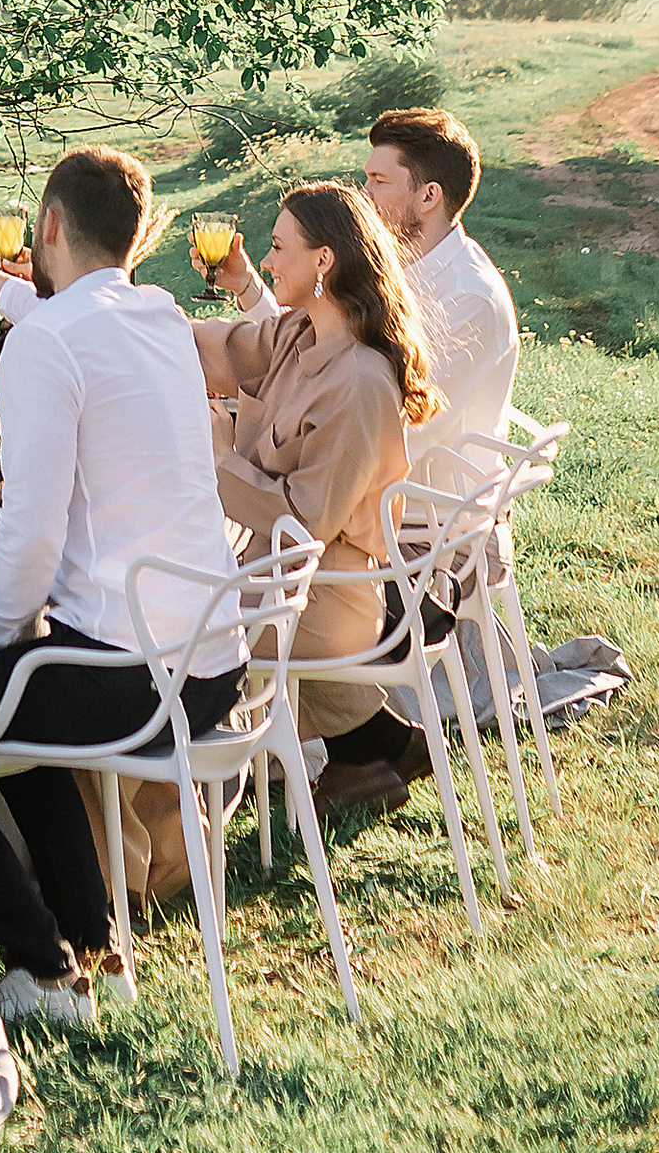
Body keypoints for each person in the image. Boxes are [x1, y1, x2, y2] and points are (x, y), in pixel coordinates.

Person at [0, 147, 244, 1030]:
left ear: (49, 225)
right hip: (214, 666)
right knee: (22, 702)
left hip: (135, 678)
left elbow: (33, 534)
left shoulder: (45, 343)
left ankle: (41, 967)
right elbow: (66, 321)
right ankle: (95, 948)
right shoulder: (160, 315)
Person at [190, 181, 443, 816]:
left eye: (279, 248)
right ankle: (375, 746)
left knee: (168, 621)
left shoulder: (358, 380)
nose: (266, 261)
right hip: (279, 574)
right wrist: (129, 318)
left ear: (324, 260)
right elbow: (226, 348)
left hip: (323, 595)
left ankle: (185, 796)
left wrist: (217, 460)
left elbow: (306, 522)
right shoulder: (300, 333)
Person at [363, 108, 519, 457]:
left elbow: (410, 422)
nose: (364, 194)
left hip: (422, 488)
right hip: (367, 466)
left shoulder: (470, 297)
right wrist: (247, 287)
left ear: (428, 196)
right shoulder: (389, 266)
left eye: (379, 181)